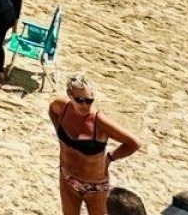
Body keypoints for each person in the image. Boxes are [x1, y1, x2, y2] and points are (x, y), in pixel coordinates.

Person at [50, 73, 142, 214]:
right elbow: (52, 110)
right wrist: (59, 133)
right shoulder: (62, 107)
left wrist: (110, 158)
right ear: (69, 95)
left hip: (95, 186)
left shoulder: (99, 121)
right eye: (80, 100)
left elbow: (134, 143)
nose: (85, 105)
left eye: (89, 100)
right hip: (67, 177)